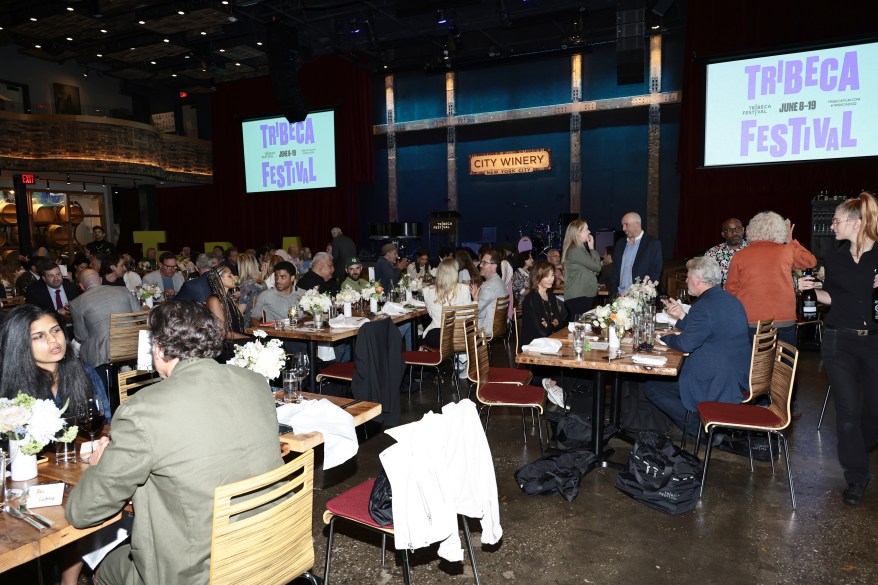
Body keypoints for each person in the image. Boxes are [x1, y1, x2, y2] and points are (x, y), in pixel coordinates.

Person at [66, 301, 284, 585]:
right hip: (271, 543)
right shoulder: (254, 381)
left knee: (103, 567)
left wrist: (97, 466)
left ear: (157, 348)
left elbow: (84, 513)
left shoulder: (142, 409)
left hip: (200, 570)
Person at [0, 303, 113, 585]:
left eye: (55, 331)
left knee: (99, 509)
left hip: (76, 473)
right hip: (26, 485)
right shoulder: (9, 387)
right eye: (38, 336)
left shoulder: (82, 372)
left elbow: (106, 421)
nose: (53, 341)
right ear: (20, 345)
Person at [798, 192, 878, 506]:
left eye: (837, 220)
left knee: (873, 411)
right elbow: (832, 298)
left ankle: (858, 444)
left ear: (856, 222)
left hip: (873, 340)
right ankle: (857, 477)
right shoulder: (835, 258)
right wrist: (813, 291)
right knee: (846, 414)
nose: (832, 226)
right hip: (838, 341)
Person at [644, 256, 751, 437]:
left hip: (716, 381)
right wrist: (681, 318)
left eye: (688, 277)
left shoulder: (704, 306)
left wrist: (666, 338)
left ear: (698, 279)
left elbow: (686, 343)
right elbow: (706, 330)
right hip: (736, 375)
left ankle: (703, 431)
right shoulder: (728, 299)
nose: (686, 281)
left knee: (653, 388)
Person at [725, 211, 816, 417]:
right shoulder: (786, 251)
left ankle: (757, 404)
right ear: (779, 230)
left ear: (752, 229)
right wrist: (791, 241)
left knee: (754, 364)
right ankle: (788, 405)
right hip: (783, 319)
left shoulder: (740, 255)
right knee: (785, 364)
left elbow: (731, 290)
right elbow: (810, 262)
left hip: (750, 320)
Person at [520, 260, 569, 407]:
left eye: (552, 275)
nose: (551, 279)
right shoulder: (531, 299)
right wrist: (553, 324)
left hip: (549, 341)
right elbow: (542, 330)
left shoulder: (550, 296)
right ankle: (551, 384)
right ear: (537, 277)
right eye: (546, 276)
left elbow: (561, 322)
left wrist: (552, 324)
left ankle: (553, 384)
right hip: (534, 345)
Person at [70, 269, 141, 368]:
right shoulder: (123, 290)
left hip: (105, 353)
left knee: (78, 346)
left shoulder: (76, 303)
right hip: (133, 344)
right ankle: (124, 367)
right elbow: (140, 316)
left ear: (81, 286)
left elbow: (81, 335)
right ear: (100, 280)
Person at [609, 212, 663, 295]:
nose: (623, 229)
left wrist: (645, 292)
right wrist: (614, 291)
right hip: (620, 295)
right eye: (622, 225)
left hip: (641, 296)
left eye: (626, 225)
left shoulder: (652, 244)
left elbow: (656, 270)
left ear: (637, 225)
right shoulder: (620, 243)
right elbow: (615, 270)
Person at [422, 258, 472, 348]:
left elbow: (431, 314)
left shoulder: (427, 291)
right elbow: (468, 315)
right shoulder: (464, 289)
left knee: (424, 338)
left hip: (438, 336)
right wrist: (475, 301)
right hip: (460, 334)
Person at [206, 266, 249, 361]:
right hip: (226, 347)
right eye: (230, 276)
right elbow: (223, 332)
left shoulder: (228, 298)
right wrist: (248, 338)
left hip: (236, 342)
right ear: (220, 280)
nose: (234, 277)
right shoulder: (214, 299)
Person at [562, 219, 602, 315]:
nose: (589, 232)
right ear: (578, 233)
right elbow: (597, 267)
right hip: (578, 296)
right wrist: (592, 248)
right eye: (587, 229)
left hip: (582, 294)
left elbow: (595, 271)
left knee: (582, 327)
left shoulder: (579, 249)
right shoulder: (575, 250)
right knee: (579, 327)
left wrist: (592, 269)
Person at [25, 258, 80, 325]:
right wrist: (58, 312)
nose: (56, 278)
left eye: (58, 274)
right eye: (51, 276)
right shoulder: (35, 292)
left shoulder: (72, 287)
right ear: (44, 278)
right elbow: (34, 315)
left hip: (74, 329)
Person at [251, 261, 301, 325]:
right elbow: (253, 320)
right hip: (275, 332)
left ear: (292, 278)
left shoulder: (302, 295)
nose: (278, 280)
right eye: (276, 276)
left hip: (299, 332)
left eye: (283, 277)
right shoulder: (266, 296)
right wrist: (265, 329)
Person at [471, 249, 506, 337]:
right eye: (481, 262)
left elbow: (476, 312)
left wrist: (475, 300)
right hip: (499, 326)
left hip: (486, 328)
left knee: (458, 327)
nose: (480, 265)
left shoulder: (488, 286)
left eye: (484, 263)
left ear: (494, 266)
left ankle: (466, 351)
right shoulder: (500, 282)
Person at [704, 217, 749, 287]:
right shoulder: (712, 253)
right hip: (722, 296)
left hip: (748, 295)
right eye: (729, 230)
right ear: (723, 234)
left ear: (743, 230)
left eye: (737, 228)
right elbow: (706, 280)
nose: (734, 232)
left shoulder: (753, 250)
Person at [236, 252, 266, 322]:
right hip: (261, 321)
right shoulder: (262, 282)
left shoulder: (246, 285)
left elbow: (240, 311)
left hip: (249, 323)